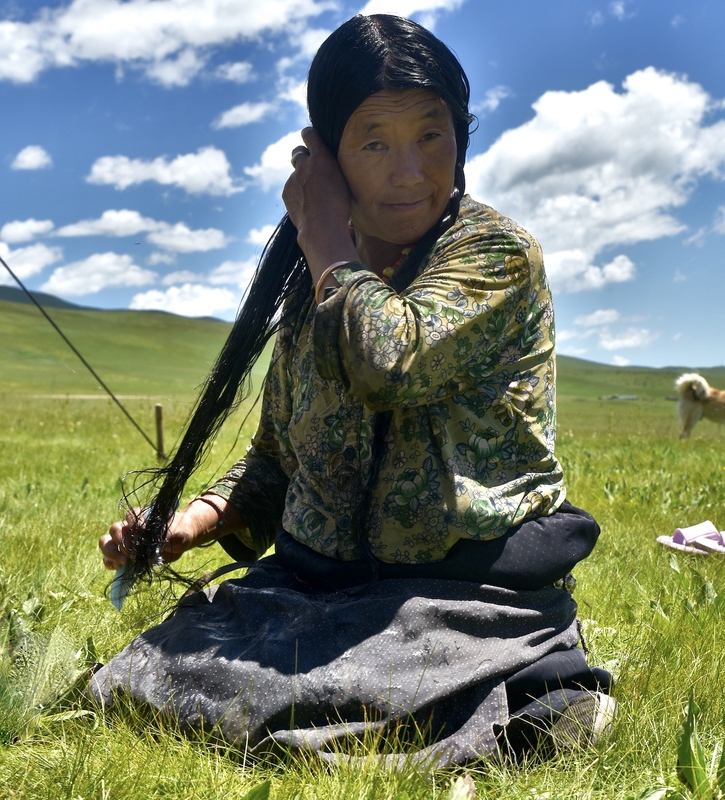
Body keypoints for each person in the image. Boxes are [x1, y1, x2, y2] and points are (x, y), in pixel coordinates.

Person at [92, 13, 614, 767]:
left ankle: (535, 701)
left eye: (431, 135)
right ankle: (468, 723)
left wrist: (328, 242)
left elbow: (388, 360)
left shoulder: (495, 256)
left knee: (333, 706)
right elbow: (275, 459)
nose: (410, 172)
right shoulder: (315, 289)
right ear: (330, 156)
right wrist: (189, 524)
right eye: (375, 142)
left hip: (455, 596)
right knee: (146, 678)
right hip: (318, 587)